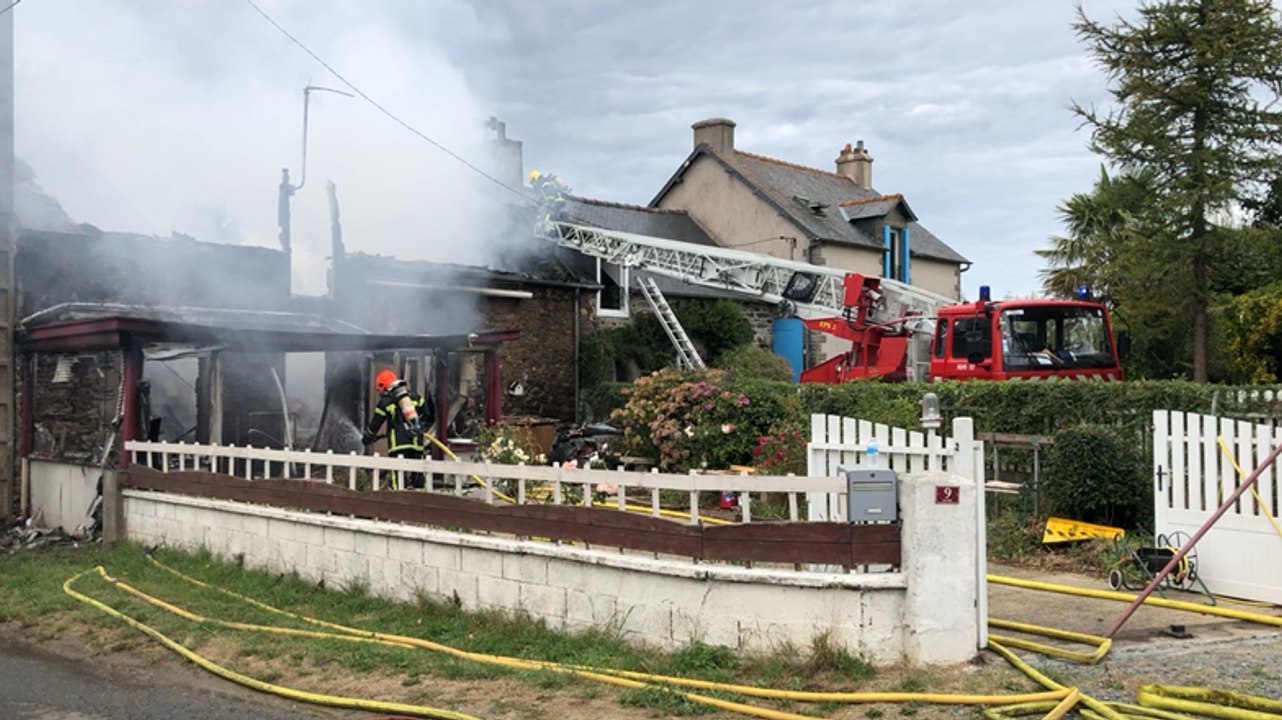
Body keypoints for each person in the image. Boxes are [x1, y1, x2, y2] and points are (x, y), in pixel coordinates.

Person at [362, 370, 434, 490]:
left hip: (398, 446)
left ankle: (398, 498)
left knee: (398, 476)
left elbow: (375, 425)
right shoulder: (415, 397)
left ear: (383, 386)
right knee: (418, 474)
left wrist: (367, 437)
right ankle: (420, 499)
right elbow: (428, 416)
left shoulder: (385, 402)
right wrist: (420, 428)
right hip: (416, 443)